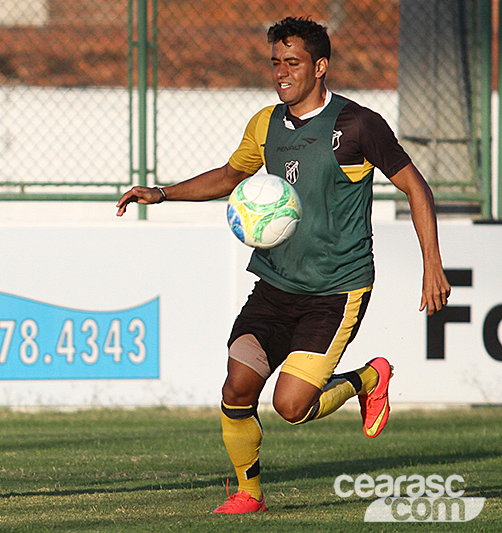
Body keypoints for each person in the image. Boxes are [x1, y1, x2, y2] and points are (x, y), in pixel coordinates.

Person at [116, 16, 451, 514]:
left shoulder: (357, 125)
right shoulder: (265, 123)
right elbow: (232, 175)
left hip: (336, 289)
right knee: (237, 386)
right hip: (275, 284)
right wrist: (163, 193)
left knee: (292, 407)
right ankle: (249, 495)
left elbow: (415, 186)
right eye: (275, 62)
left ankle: (369, 379)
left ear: (320, 66)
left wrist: (433, 264)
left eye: (291, 62)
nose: (280, 72)